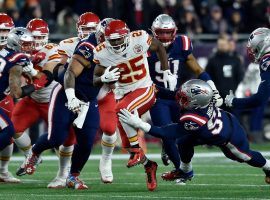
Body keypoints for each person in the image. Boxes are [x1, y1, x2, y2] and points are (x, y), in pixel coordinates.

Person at [119, 79, 270, 184]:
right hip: (215, 124)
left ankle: (267, 166)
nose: (180, 98)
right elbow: (174, 95)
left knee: (244, 156)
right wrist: (153, 88)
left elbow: (167, 133)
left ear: (195, 103)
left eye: (185, 98)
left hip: (228, 136)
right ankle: (185, 171)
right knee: (184, 142)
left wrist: (140, 124)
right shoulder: (201, 98)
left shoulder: (195, 116)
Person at [93, 19, 177, 191]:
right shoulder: (102, 52)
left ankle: (138, 151)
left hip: (145, 88)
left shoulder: (139, 39)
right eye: (112, 40)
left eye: (118, 39)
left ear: (127, 35)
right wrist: (102, 79)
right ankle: (149, 165)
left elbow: (160, 47)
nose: (115, 43)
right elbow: (95, 79)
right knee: (128, 145)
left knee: (123, 111)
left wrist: (166, 70)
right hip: (123, 95)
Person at [24, 21, 101, 190]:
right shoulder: (82, 46)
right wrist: (70, 94)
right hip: (67, 94)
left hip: (89, 99)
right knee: (57, 138)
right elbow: (64, 72)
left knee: (87, 141)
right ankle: (35, 152)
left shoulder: (115, 49)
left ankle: (73, 176)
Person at [148, 14, 223, 176]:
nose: (165, 36)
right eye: (161, 32)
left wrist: (213, 88)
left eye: (168, 32)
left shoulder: (182, 44)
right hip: (157, 96)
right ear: (154, 32)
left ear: (175, 32)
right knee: (166, 134)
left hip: (179, 96)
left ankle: (172, 153)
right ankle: (181, 170)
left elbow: (197, 68)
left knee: (184, 133)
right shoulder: (145, 46)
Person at [0, 27, 49, 183]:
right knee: (8, 131)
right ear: (15, 43)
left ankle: (3, 172)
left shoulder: (4, 53)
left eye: (29, 44)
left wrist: (34, 72)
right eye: (25, 44)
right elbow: (16, 93)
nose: (29, 48)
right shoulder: (18, 58)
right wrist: (35, 86)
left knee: (9, 131)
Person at [225, 28, 270, 110]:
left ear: (262, 44)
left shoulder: (267, 62)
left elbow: (260, 99)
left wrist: (234, 101)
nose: (252, 51)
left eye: (254, 48)